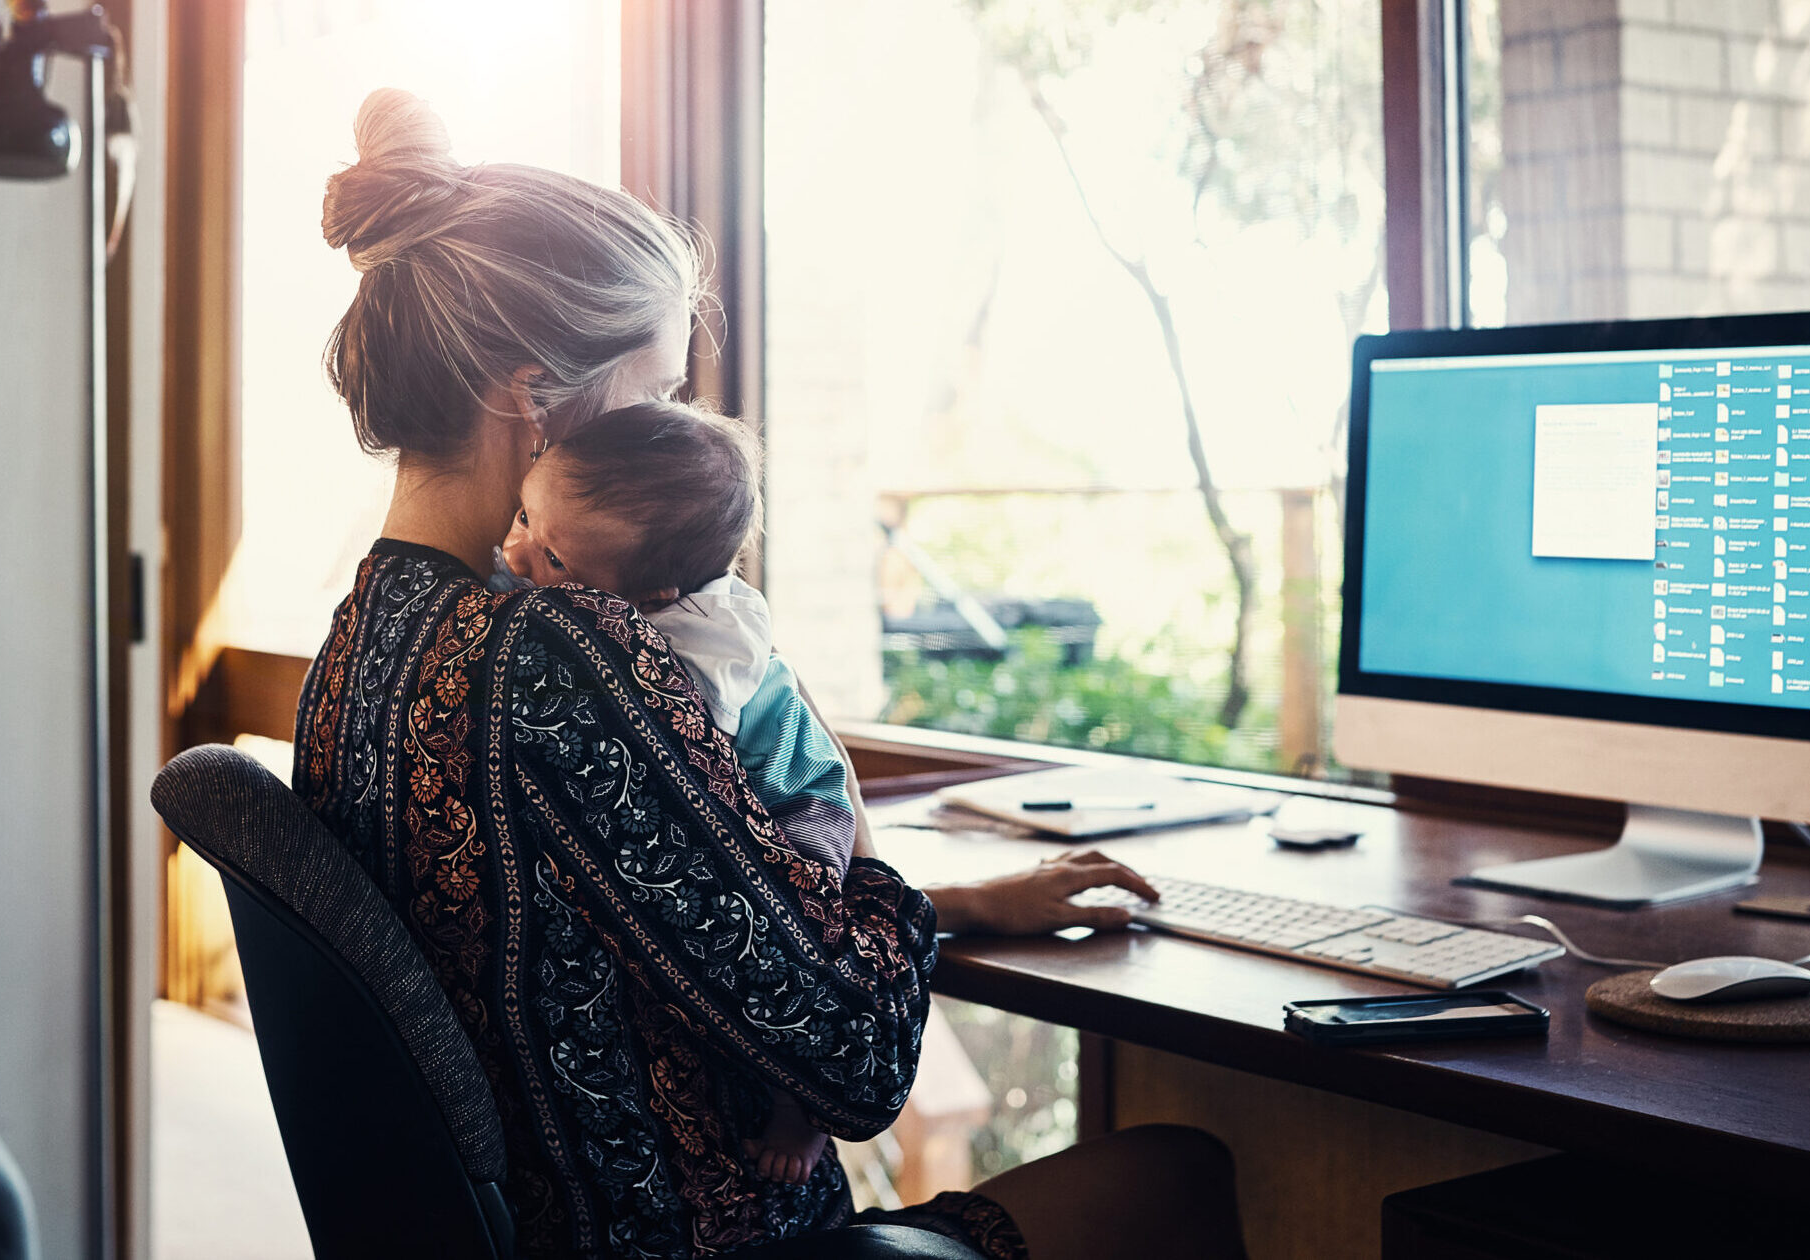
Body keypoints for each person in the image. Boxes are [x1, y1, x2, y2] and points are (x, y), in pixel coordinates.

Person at [291, 88, 1251, 1260]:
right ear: (532, 398)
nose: (666, 437)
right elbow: (853, 1061)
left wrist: (958, 904)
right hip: (705, 1245)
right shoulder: (561, 647)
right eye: (650, 397)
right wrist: (884, 886)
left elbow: (606, 926)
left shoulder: (362, 638)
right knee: (1178, 1173)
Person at [491, 397, 854, 1184]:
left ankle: (805, 1110)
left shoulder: (700, 649)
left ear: (651, 596)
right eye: (524, 516)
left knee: (806, 928)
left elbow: (692, 755)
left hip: (799, 796)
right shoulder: (603, 582)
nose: (518, 555)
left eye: (553, 562)